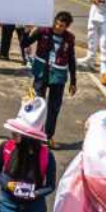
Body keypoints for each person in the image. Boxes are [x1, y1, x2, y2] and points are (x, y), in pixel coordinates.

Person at [21, 11, 78, 146]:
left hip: (58, 77)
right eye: (56, 23)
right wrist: (26, 31)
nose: (57, 27)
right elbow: (25, 44)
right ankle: (32, 133)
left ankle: (48, 136)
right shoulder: (43, 31)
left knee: (54, 108)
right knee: (36, 103)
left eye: (61, 25)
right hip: (41, 73)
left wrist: (73, 81)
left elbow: (71, 59)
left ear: (67, 27)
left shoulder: (70, 38)